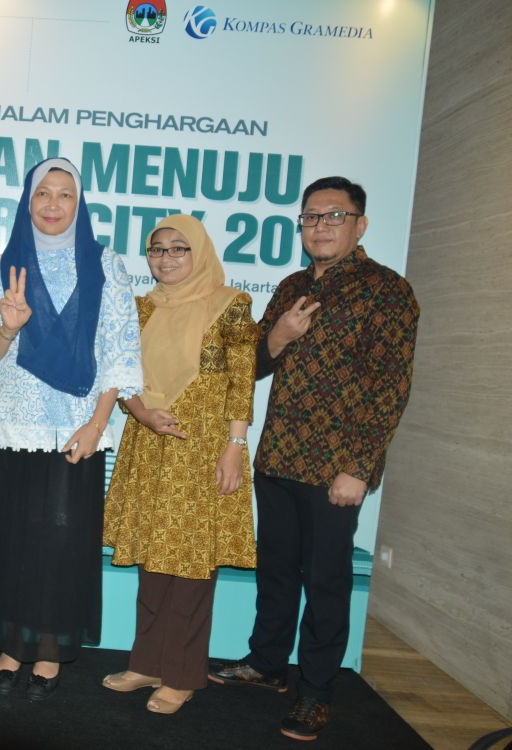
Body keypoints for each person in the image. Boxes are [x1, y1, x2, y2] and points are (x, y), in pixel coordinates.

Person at [208, 176, 420, 741]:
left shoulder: (387, 290)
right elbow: (251, 366)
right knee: (276, 571)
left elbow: (391, 386)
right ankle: (267, 663)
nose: (321, 226)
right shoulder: (292, 286)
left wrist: (360, 466)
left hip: (335, 468)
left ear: (360, 224)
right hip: (278, 455)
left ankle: (317, 691)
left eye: (334, 215)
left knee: (325, 582)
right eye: (311, 217)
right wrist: (277, 335)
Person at [0, 158, 142, 702]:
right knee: (12, 537)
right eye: (43, 192)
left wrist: (97, 423)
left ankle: (47, 649)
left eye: (65, 193)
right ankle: (12, 644)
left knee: (61, 543)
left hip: (75, 428)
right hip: (11, 425)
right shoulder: (5, 263)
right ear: (28, 199)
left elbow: (119, 350)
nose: (53, 204)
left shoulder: (106, 265)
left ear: (79, 203)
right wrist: (9, 327)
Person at [100, 214, 258, 714]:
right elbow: (122, 375)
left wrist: (235, 446)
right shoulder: (141, 307)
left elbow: (241, 382)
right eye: (157, 249)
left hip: (203, 448)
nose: (165, 258)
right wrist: (141, 411)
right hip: (150, 444)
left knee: (190, 563)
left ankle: (183, 674)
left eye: (178, 248)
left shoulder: (231, 305)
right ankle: (147, 662)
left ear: (199, 252)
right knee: (153, 559)